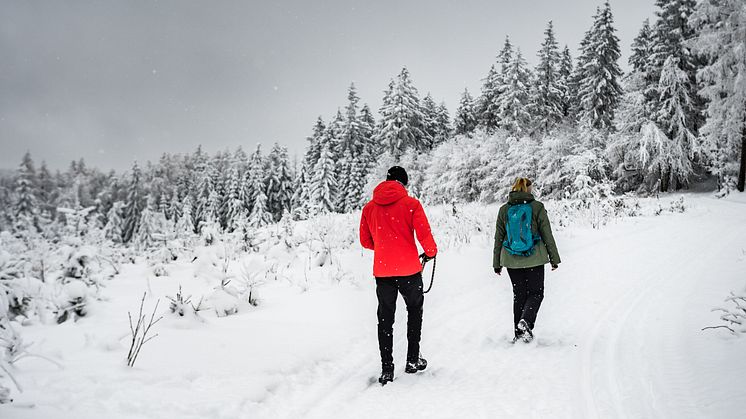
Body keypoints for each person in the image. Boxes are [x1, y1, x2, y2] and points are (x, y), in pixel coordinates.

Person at [359, 166, 438, 385]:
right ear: (403, 183)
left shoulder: (369, 208)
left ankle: (387, 369)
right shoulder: (411, 204)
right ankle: (412, 359)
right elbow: (424, 234)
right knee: (414, 310)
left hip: (383, 272)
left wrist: (385, 248)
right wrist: (431, 252)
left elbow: (365, 241)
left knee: (385, 319)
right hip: (410, 270)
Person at [493, 178, 560, 343]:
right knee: (536, 293)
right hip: (534, 259)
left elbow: (499, 237)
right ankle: (527, 321)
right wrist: (554, 258)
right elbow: (547, 234)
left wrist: (497, 262)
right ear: (528, 189)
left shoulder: (504, 210)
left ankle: (519, 334)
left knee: (519, 295)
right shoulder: (537, 207)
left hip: (511, 260)